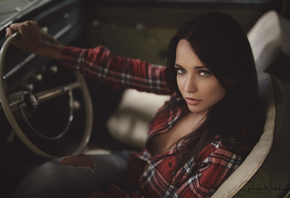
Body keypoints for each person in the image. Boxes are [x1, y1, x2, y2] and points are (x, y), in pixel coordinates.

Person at [6, 12, 265, 198]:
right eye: (180, 70)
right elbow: (122, 69)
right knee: (43, 181)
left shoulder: (223, 151)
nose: (187, 87)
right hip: (136, 165)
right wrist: (41, 48)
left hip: (139, 189)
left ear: (233, 73)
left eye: (204, 72)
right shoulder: (187, 91)